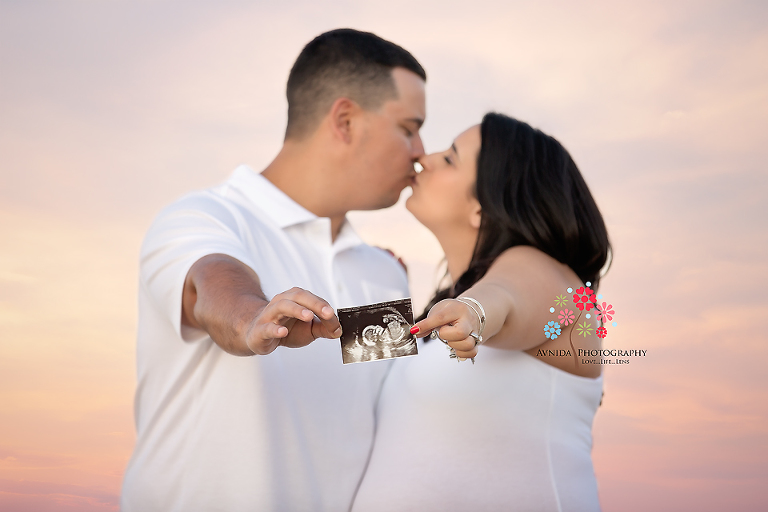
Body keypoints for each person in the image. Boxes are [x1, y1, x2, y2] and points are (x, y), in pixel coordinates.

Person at [121, 29, 426, 511]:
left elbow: (387, 421)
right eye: (409, 128)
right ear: (345, 120)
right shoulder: (206, 217)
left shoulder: (382, 274)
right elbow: (210, 285)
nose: (420, 152)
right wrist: (250, 319)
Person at [351, 113, 611, 511]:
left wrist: (473, 311)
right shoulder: (439, 313)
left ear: (481, 207)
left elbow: (502, 298)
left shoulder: (551, 277)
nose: (427, 158)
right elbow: (334, 341)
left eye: (451, 158)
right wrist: (365, 282)